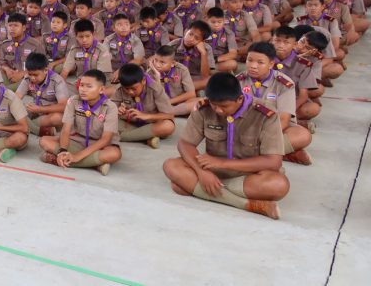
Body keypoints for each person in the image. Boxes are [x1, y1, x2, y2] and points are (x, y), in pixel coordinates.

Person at [162, 72, 288, 220]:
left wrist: (221, 163)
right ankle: (246, 204)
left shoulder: (265, 114)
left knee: (279, 185)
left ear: (240, 99)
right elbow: (185, 143)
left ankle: (196, 188)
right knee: (171, 165)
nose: (218, 110)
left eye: (224, 106)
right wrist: (202, 172)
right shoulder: (203, 108)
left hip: (249, 175)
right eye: (214, 105)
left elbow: (273, 161)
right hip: (212, 171)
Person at [39, 69, 122, 175]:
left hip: (98, 144)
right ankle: (94, 164)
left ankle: (58, 160)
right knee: (44, 141)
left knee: (114, 154)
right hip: (78, 140)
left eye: (89, 86)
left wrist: (77, 156)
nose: (83, 90)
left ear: (101, 89)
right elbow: (66, 129)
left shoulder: (110, 107)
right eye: (82, 85)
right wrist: (62, 151)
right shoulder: (73, 101)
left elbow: (106, 139)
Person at [110, 64, 176, 148]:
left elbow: (169, 115)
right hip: (132, 123)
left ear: (143, 81)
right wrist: (118, 110)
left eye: (134, 88)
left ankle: (119, 137)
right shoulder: (121, 88)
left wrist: (147, 116)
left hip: (152, 124)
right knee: (103, 121)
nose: (130, 92)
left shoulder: (155, 89)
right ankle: (146, 137)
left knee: (168, 126)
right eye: (126, 89)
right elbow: (110, 109)